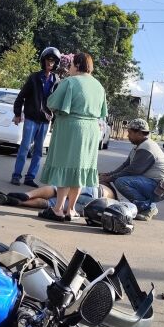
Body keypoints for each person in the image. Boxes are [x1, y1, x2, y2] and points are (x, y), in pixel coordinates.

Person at [39, 52, 107, 222]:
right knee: (80, 170)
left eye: (70, 65)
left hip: (71, 127)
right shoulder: (99, 86)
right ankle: (71, 210)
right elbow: (102, 112)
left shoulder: (69, 82)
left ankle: (57, 209)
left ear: (76, 65)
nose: (69, 68)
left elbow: (52, 103)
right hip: (91, 129)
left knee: (65, 167)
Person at [99, 118, 164, 221]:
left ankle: (148, 208)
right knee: (118, 178)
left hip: (158, 188)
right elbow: (125, 165)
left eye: (130, 133)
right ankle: (145, 206)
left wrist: (110, 178)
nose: (128, 135)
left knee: (121, 182)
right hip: (152, 184)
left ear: (140, 133)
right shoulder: (139, 146)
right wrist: (108, 175)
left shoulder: (147, 148)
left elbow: (132, 171)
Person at [10, 47, 60, 187]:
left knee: (38, 150)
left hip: (45, 121)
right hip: (31, 119)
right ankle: (16, 175)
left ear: (56, 63)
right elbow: (21, 96)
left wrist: (55, 121)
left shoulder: (56, 81)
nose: (50, 63)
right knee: (25, 147)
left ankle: (30, 178)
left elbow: (57, 103)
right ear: (43, 61)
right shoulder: (34, 78)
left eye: (53, 61)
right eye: (48, 60)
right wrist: (17, 114)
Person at [0, 184, 117, 215]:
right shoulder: (115, 202)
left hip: (96, 190)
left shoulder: (105, 184)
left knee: (57, 190)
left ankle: (28, 195)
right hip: (94, 205)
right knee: (51, 204)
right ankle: (21, 202)